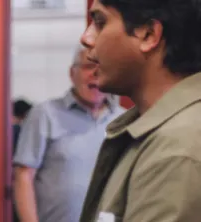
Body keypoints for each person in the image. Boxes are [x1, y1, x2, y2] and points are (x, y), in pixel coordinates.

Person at [79, 0, 201, 221]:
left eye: (100, 21)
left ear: (148, 34)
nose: (86, 38)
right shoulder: (158, 134)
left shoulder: (177, 149)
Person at [13, 46, 124, 222]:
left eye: (102, 68)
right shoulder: (45, 114)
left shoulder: (124, 120)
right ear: (72, 73)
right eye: (88, 66)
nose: (95, 73)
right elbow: (23, 175)